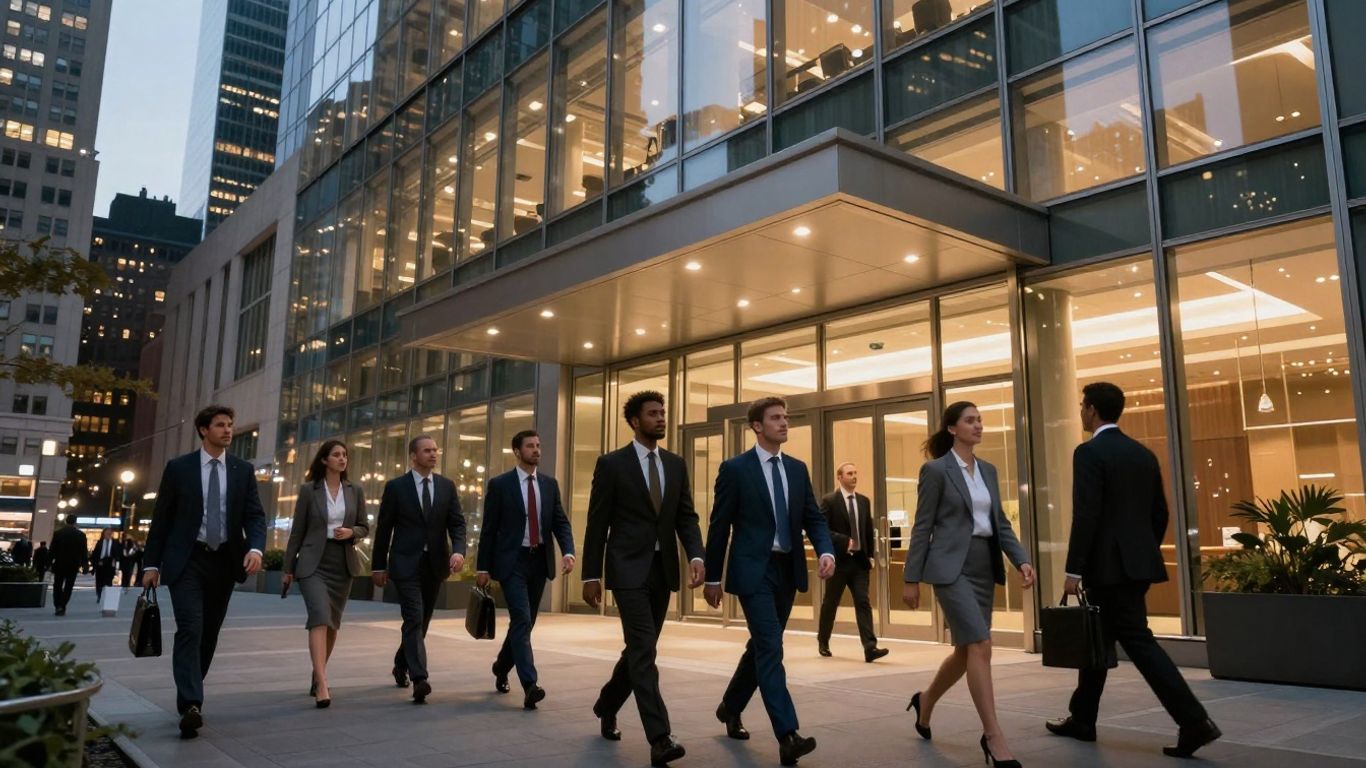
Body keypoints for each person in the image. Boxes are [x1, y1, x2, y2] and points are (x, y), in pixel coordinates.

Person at [1045, 382, 1221, 758]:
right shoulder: (1142, 454)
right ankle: (1082, 718)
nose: (1080, 412)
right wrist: (1140, 551)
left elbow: (1086, 514)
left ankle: (1194, 722)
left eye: (1081, 406)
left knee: (1138, 642)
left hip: (1106, 569)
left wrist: (1074, 568)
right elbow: (1160, 513)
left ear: (1091, 410)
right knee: (1099, 639)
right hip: (1137, 565)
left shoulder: (1089, 452)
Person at [704, 396, 836, 767]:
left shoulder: (796, 469)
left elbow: (813, 517)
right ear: (757, 427)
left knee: (763, 645)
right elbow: (719, 526)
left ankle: (730, 706)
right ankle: (787, 733)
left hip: (787, 569)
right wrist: (713, 576)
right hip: (753, 571)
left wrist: (826, 551)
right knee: (770, 646)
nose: (784, 423)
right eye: (776, 418)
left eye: (785, 417)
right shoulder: (735, 469)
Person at [902, 401, 1034, 768]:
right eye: (970, 420)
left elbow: (1001, 525)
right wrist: (911, 578)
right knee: (981, 643)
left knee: (966, 650)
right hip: (949, 567)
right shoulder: (936, 471)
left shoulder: (988, 471)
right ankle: (993, 736)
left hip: (982, 566)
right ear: (952, 428)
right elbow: (922, 526)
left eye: (980, 420)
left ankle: (926, 701)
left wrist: (1021, 559)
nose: (978, 425)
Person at [582, 391, 704, 767]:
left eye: (663, 412)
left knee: (640, 650)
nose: (661, 418)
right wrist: (591, 574)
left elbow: (686, 516)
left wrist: (696, 555)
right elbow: (597, 522)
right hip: (627, 568)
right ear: (635, 421)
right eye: (653, 413)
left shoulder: (676, 464)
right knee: (643, 649)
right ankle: (660, 737)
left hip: (662, 568)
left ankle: (607, 703)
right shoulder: (612, 464)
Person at [142, 404, 266, 738]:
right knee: (191, 628)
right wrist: (151, 564)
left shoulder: (242, 470)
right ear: (203, 429)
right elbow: (162, 518)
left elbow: (254, 515)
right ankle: (191, 703)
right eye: (221, 425)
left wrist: (255, 547)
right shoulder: (179, 468)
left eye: (230, 425)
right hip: (187, 561)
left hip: (225, 561)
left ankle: (192, 691)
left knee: (209, 632)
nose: (228, 430)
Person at [475, 429, 574, 710]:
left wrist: (567, 551)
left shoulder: (549, 484)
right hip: (512, 561)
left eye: (539, 445)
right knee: (521, 617)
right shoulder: (501, 485)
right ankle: (530, 684)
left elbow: (560, 522)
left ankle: (501, 667)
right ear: (517, 452)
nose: (536, 450)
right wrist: (482, 566)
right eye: (530, 446)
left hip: (539, 560)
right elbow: (489, 530)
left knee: (526, 622)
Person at [371, 434, 466, 704]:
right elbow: (384, 529)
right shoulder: (396, 487)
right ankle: (420, 678)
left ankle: (401, 664)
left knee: (421, 621)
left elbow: (457, 524)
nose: (433, 454)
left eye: (435, 450)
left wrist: (458, 550)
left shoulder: (447, 487)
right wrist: (379, 565)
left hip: (434, 564)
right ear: (413, 456)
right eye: (427, 450)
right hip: (405, 563)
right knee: (414, 616)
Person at [283, 440, 369, 709]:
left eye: (345, 455)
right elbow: (297, 531)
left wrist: (351, 532)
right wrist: (288, 568)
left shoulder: (355, 490)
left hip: (341, 562)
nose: (342, 459)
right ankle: (322, 682)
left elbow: (364, 526)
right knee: (319, 616)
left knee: (332, 623)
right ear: (325, 460)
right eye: (336, 455)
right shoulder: (310, 490)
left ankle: (316, 673)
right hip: (312, 563)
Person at [816, 462, 887, 662]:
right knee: (831, 602)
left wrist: (871, 555)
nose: (854, 476)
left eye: (855, 473)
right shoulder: (829, 501)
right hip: (839, 562)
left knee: (863, 602)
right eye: (849, 473)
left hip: (859, 563)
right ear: (840, 477)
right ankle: (823, 641)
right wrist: (843, 541)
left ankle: (870, 647)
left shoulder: (864, 501)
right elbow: (822, 530)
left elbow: (867, 530)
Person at [50, 515, 87, 616]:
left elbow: (52, 550)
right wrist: (85, 565)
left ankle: (57, 605)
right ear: (75, 522)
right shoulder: (81, 535)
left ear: (66, 521)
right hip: (73, 565)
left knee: (57, 585)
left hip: (59, 563)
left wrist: (48, 563)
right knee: (68, 586)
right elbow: (84, 552)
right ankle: (63, 604)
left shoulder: (58, 533)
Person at [90, 528, 122, 602]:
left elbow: (118, 553)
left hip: (110, 563)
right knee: (99, 581)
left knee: (109, 581)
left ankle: (108, 597)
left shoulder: (115, 542)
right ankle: (99, 595)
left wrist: (116, 560)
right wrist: (95, 563)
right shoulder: (100, 542)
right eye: (106, 533)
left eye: (109, 533)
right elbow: (95, 554)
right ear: (103, 534)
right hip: (100, 563)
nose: (108, 534)